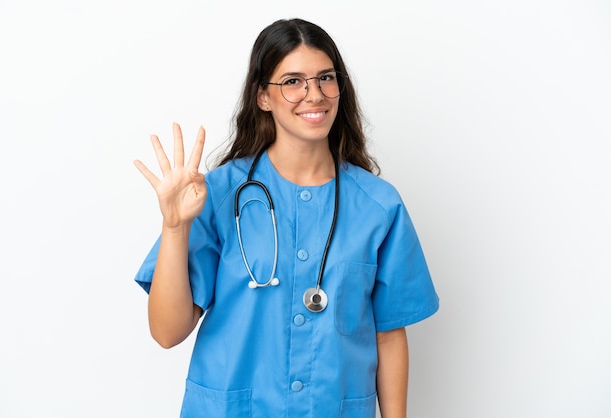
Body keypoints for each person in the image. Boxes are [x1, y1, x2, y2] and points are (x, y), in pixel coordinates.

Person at [133, 18, 439, 418]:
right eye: (293, 81)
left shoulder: (379, 206)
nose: (314, 95)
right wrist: (175, 228)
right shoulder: (218, 195)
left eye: (325, 78)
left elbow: (389, 333)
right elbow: (167, 333)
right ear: (263, 97)